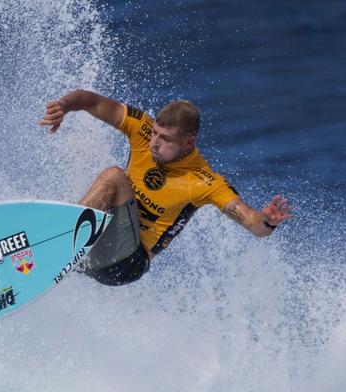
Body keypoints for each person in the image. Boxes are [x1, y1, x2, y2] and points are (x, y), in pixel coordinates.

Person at [38, 89, 293, 286]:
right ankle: (58, 252)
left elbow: (252, 223)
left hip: (128, 263)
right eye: (155, 134)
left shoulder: (205, 181)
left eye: (166, 139)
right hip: (105, 246)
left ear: (188, 142)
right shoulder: (143, 131)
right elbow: (89, 100)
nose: (154, 144)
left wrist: (267, 221)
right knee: (109, 184)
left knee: (114, 176)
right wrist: (63, 106)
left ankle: (54, 247)